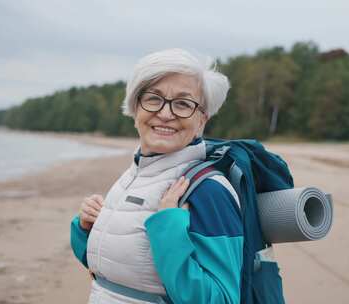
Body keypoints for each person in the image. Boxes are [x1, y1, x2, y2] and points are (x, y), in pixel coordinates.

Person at [70, 48, 243, 304]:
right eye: (153, 98)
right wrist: (84, 229)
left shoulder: (209, 191)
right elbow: (114, 271)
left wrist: (168, 230)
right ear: (135, 108)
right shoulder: (131, 177)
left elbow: (223, 300)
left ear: (201, 120)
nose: (165, 113)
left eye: (183, 104)